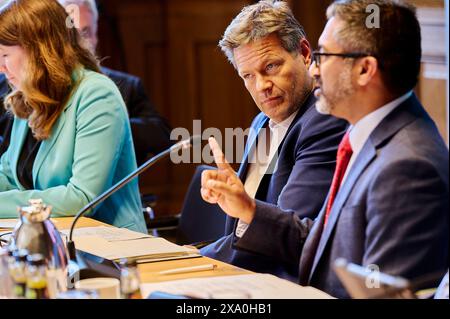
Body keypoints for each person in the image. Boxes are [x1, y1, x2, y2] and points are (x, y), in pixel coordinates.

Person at [202, 0, 449, 298]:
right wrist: (250, 211)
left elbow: (381, 294)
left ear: (364, 70)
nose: (315, 69)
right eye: (248, 76)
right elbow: (317, 243)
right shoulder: (368, 139)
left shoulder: (407, 166)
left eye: (324, 56)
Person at [199, 0, 348, 281]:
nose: (261, 86)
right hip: (246, 277)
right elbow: (245, 226)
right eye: (248, 76)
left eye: (270, 66)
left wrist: (200, 260)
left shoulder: (324, 121)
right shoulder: (262, 123)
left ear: (304, 53)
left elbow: (284, 231)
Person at [0, 0, 147, 234]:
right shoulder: (27, 94)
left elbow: (81, 198)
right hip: (50, 240)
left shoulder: (96, 94)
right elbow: (9, 175)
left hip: (109, 251)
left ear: (37, 50)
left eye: (5, 54)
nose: (1, 67)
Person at [0, 0, 172, 164]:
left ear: (96, 36)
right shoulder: (19, 86)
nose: (77, 41)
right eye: (72, 32)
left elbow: (162, 135)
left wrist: (94, 126)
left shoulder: (109, 89)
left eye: (86, 32)